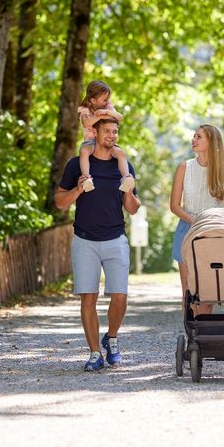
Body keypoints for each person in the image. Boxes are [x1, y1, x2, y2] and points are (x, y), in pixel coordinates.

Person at [54, 117, 141, 371]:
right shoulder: (77, 164)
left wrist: (128, 191)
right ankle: (94, 353)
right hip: (85, 240)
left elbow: (133, 209)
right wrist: (78, 190)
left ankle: (111, 338)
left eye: (115, 132)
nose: (112, 136)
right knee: (88, 298)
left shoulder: (123, 166)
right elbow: (60, 201)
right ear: (95, 133)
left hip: (115, 238)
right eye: (107, 131)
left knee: (120, 297)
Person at [169, 124, 224, 315]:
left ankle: (203, 338)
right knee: (189, 294)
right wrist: (193, 221)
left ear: (212, 142)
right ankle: (193, 339)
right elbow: (174, 206)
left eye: (199, 137)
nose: (194, 139)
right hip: (187, 230)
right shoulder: (184, 168)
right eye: (194, 136)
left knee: (208, 294)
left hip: (213, 233)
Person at [77, 80, 135, 193]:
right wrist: (98, 117)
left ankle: (126, 178)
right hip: (91, 142)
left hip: (105, 141)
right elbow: (86, 123)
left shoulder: (108, 106)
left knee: (120, 153)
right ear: (93, 100)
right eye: (104, 99)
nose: (106, 101)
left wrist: (107, 112)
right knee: (84, 152)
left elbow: (119, 117)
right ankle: (87, 179)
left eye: (107, 99)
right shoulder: (84, 110)